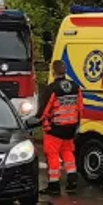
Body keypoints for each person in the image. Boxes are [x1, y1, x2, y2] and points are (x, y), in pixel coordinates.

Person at [38, 60, 82, 193]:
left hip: (55, 128)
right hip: (70, 126)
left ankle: (54, 184)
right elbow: (80, 107)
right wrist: (76, 124)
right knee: (67, 152)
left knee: (52, 154)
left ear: (53, 71)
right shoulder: (75, 87)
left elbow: (45, 109)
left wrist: (39, 120)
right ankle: (72, 178)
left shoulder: (51, 89)